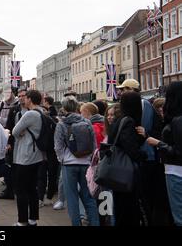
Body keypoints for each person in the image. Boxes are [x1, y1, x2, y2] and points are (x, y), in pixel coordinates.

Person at [54, 95, 100, 226]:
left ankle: (76, 223)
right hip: (85, 163)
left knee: (72, 198)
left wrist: (62, 159)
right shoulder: (87, 122)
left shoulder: (62, 124)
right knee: (88, 197)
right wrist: (90, 159)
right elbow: (93, 144)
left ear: (64, 107)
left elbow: (58, 146)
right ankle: (95, 223)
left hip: (68, 164)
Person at [116, 78, 156, 225]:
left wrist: (142, 154)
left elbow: (140, 134)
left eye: (124, 89)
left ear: (132, 91)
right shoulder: (126, 117)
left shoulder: (142, 107)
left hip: (137, 161)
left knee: (137, 200)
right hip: (133, 162)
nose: (121, 92)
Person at [144, 82, 182, 226]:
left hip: (176, 173)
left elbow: (178, 151)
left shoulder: (178, 121)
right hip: (175, 171)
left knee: (179, 217)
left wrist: (158, 143)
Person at [107, 91, 147, 226]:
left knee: (120, 208)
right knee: (129, 209)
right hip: (127, 173)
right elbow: (131, 148)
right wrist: (143, 154)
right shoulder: (128, 121)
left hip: (117, 172)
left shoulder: (119, 121)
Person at [11, 90, 46, 226]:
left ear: (30, 99)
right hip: (37, 156)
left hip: (25, 156)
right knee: (32, 188)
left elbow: (14, 131)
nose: (23, 100)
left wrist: (20, 131)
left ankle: (22, 221)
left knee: (21, 190)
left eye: (25, 98)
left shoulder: (30, 114)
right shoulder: (42, 112)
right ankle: (32, 219)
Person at [0, 88, 28, 200]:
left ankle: (21, 189)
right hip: (15, 143)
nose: (21, 98)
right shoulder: (14, 110)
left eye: (23, 96)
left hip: (27, 144)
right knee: (10, 167)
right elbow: (9, 127)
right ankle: (9, 190)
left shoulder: (31, 111)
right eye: (19, 96)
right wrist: (9, 142)